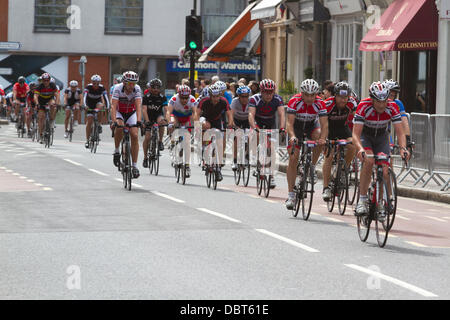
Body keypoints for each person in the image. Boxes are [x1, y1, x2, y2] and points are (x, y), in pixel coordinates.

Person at [353, 82, 410, 219]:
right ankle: (362, 199)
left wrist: (403, 149)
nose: (381, 105)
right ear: (372, 99)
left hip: (382, 137)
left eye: (384, 101)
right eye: (378, 102)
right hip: (366, 136)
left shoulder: (392, 107)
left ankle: (380, 203)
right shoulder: (363, 106)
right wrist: (360, 149)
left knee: (385, 169)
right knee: (369, 161)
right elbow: (355, 134)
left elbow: (400, 133)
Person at [285, 79, 328, 210]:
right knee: (293, 158)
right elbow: (289, 124)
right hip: (296, 128)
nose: (309, 98)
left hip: (311, 126)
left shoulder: (320, 103)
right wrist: (292, 136)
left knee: (319, 138)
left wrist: (323, 138)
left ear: (316, 94)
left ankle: (311, 167)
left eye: (312, 95)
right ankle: (291, 194)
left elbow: (324, 124)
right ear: (302, 93)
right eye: (307, 95)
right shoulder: (294, 101)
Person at [321, 81, 357, 201]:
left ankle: (342, 170)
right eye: (340, 97)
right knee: (329, 156)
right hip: (329, 129)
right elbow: (324, 125)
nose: (343, 100)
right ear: (335, 96)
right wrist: (324, 139)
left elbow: (356, 122)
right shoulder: (328, 104)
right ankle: (326, 188)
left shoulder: (352, 103)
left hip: (343, 128)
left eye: (345, 97)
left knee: (353, 145)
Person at [248, 79, 286, 188]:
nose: (269, 95)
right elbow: (251, 115)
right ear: (261, 91)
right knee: (256, 135)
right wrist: (254, 127)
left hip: (270, 123)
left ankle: (272, 176)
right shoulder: (254, 99)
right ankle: (255, 158)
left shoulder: (278, 99)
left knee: (272, 148)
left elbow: (282, 114)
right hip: (258, 122)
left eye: (271, 92)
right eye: (266, 92)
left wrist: (282, 128)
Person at [196, 84, 233, 181]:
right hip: (205, 118)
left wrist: (230, 124)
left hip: (217, 120)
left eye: (217, 96)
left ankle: (218, 168)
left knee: (220, 142)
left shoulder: (223, 101)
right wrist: (197, 126)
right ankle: (204, 148)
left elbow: (229, 114)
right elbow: (197, 114)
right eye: (213, 96)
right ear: (210, 96)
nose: (215, 98)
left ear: (220, 95)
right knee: (206, 126)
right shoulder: (204, 101)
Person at [111, 71, 142, 179]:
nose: (131, 86)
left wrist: (138, 121)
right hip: (120, 112)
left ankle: (134, 166)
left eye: (133, 83)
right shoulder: (117, 89)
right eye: (129, 83)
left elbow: (138, 106)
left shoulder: (137, 89)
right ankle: (116, 151)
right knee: (119, 127)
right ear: (124, 82)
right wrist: (114, 121)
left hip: (131, 113)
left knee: (134, 135)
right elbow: (113, 107)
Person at [166, 85, 198, 177]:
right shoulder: (174, 99)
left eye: (186, 98)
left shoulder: (192, 100)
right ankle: (172, 141)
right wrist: (169, 123)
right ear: (178, 95)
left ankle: (187, 165)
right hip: (176, 116)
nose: (184, 100)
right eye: (182, 98)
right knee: (173, 123)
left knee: (187, 142)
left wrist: (196, 124)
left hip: (186, 118)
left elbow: (195, 113)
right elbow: (168, 112)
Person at [142, 78, 168, 168]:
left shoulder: (163, 97)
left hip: (158, 115)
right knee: (147, 137)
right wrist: (147, 121)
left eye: (158, 88)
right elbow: (144, 110)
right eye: (153, 87)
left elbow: (166, 110)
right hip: (148, 116)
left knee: (161, 121)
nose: (156, 89)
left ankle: (160, 141)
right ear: (150, 88)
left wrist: (167, 119)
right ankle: (145, 158)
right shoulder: (146, 97)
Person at [383, 79, 412, 152]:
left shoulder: (397, 104)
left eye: (393, 95)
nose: (391, 98)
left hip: (386, 132)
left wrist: (407, 141)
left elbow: (404, 122)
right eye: (390, 95)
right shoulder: (377, 103)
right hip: (371, 132)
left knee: (390, 153)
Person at [230, 85, 251, 170]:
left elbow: (254, 114)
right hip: (237, 120)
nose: (244, 98)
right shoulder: (235, 101)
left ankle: (246, 156)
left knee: (251, 136)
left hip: (247, 120)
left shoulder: (251, 101)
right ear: (238, 96)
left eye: (246, 96)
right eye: (242, 96)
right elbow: (231, 115)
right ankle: (235, 160)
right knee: (237, 138)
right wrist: (233, 124)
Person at [83, 75, 107, 148]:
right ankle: (87, 140)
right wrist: (85, 105)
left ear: (99, 83)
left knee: (100, 107)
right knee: (89, 122)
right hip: (89, 104)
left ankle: (99, 124)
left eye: (97, 83)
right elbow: (84, 97)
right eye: (94, 83)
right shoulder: (88, 87)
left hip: (97, 103)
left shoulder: (102, 88)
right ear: (91, 82)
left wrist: (108, 107)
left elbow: (106, 98)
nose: (95, 85)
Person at [34, 73, 58, 142]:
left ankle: (51, 120)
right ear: (42, 80)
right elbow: (35, 96)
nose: (46, 82)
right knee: (41, 117)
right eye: (44, 80)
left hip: (50, 100)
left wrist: (57, 103)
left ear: (49, 80)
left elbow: (57, 95)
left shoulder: (52, 85)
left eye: (47, 80)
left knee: (53, 105)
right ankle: (40, 134)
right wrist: (37, 104)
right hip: (41, 102)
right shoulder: (39, 87)